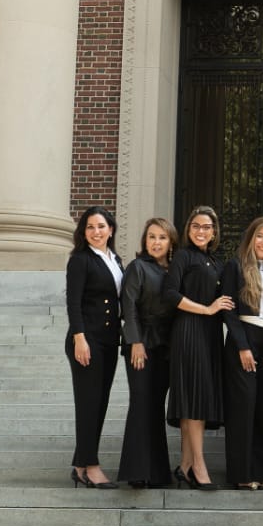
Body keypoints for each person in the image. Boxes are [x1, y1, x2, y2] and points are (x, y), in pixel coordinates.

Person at [163, 206, 233, 490]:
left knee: (200, 398)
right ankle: (199, 466)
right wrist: (205, 309)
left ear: (214, 232)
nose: (201, 231)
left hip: (210, 334)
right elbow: (170, 293)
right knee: (193, 398)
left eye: (206, 227)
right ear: (188, 229)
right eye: (196, 226)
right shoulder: (182, 256)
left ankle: (185, 464)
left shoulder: (216, 262)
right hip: (189, 330)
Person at [221, 217, 263, 490]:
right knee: (243, 408)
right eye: (260, 236)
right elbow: (228, 309)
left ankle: (257, 476)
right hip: (245, 338)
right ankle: (241, 475)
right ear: (250, 238)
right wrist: (242, 346)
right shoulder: (235, 267)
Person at [65, 206, 124, 489]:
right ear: (83, 232)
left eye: (101, 226)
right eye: (90, 227)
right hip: (87, 340)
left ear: (110, 229)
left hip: (110, 340)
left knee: (99, 404)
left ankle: (80, 464)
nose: (96, 232)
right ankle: (91, 466)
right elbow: (73, 302)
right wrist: (79, 338)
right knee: (88, 404)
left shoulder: (116, 259)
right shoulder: (80, 260)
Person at [117, 217, 178, 489]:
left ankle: (158, 473)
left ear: (171, 242)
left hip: (166, 348)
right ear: (145, 241)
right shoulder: (137, 268)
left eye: (162, 237)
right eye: (151, 237)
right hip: (140, 345)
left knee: (155, 407)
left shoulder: (175, 271)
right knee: (141, 404)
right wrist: (135, 342)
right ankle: (137, 472)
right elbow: (128, 307)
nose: (156, 242)